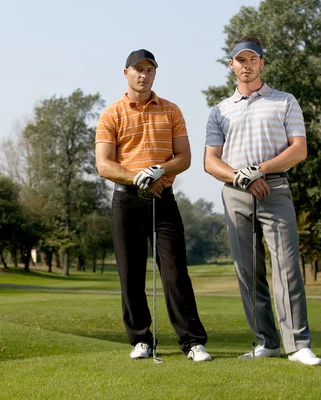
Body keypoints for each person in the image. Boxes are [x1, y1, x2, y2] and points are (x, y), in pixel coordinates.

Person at [204, 37, 321, 366]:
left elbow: (298, 149)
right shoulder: (220, 110)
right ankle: (265, 341)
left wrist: (261, 170)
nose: (246, 65)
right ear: (232, 66)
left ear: (261, 63)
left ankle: (298, 345)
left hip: (275, 188)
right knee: (247, 271)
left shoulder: (284, 101)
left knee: (287, 268)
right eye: (239, 60)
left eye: (252, 59)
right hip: (236, 192)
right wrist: (240, 176)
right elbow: (210, 161)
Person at [95, 49, 212, 362]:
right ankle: (140, 340)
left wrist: (160, 170)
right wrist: (137, 177)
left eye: (149, 70)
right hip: (127, 200)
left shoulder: (171, 110)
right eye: (138, 70)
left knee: (175, 273)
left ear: (155, 74)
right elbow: (104, 165)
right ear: (126, 73)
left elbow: (184, 158)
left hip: (163, 199)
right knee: (130, 274)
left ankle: (193, 342)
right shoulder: (111, 114)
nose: (144, 75)